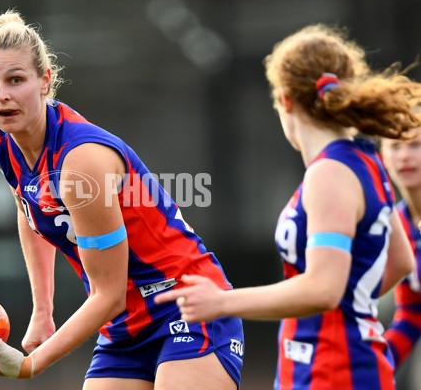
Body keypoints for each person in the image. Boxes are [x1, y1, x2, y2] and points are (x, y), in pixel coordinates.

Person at [0, 9, 244, 390]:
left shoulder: (79, 162)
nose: (1, 95)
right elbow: (31, 211)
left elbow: (108, 294)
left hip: (189, 306)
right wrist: (42, 309)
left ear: (44, 81)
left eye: (16, 79)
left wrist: (30, 364)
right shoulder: (4, 146)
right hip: (124, 326)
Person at [155, 24, 421, 389]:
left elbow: (323, 290)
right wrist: (345, 307)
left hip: (334, 369)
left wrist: (222, 302)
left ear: (286, 99)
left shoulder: (330, 173)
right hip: (330, 363)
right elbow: (400, 262)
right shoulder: (366, 160)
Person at [380, 130, 421, 369]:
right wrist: (375, 364)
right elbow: (412, 313)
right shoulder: (397, 223)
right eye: (395, 147)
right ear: (383, 156)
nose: (404, 156)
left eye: (415, 145)